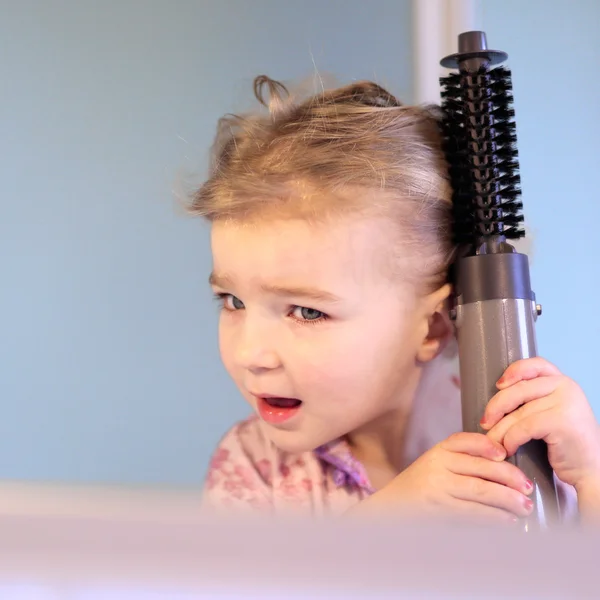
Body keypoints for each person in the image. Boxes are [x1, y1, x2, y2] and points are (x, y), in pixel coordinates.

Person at [190, 75, 600, 523]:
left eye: (307, 311)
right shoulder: (254, 469)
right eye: (231, 301)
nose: (251, 354)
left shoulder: (523, 441)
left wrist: (591, 477)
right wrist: (380, 525)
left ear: (433, 327)